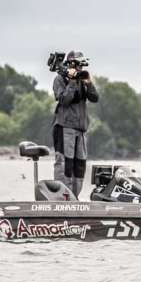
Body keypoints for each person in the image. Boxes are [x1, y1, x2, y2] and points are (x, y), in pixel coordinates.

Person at [51, 50, 99, 198]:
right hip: (65, 128)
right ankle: (62, 198)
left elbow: (95, 98)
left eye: (82, 65)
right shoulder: (59, 79)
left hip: (81, 130)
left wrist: (88, 83)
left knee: (79, 167)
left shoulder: (82, 80)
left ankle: (74, 198)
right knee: (65, 164)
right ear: (71, 64)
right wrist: (72, 81)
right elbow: (64, 100)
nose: (80, 68)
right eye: (78, 65)